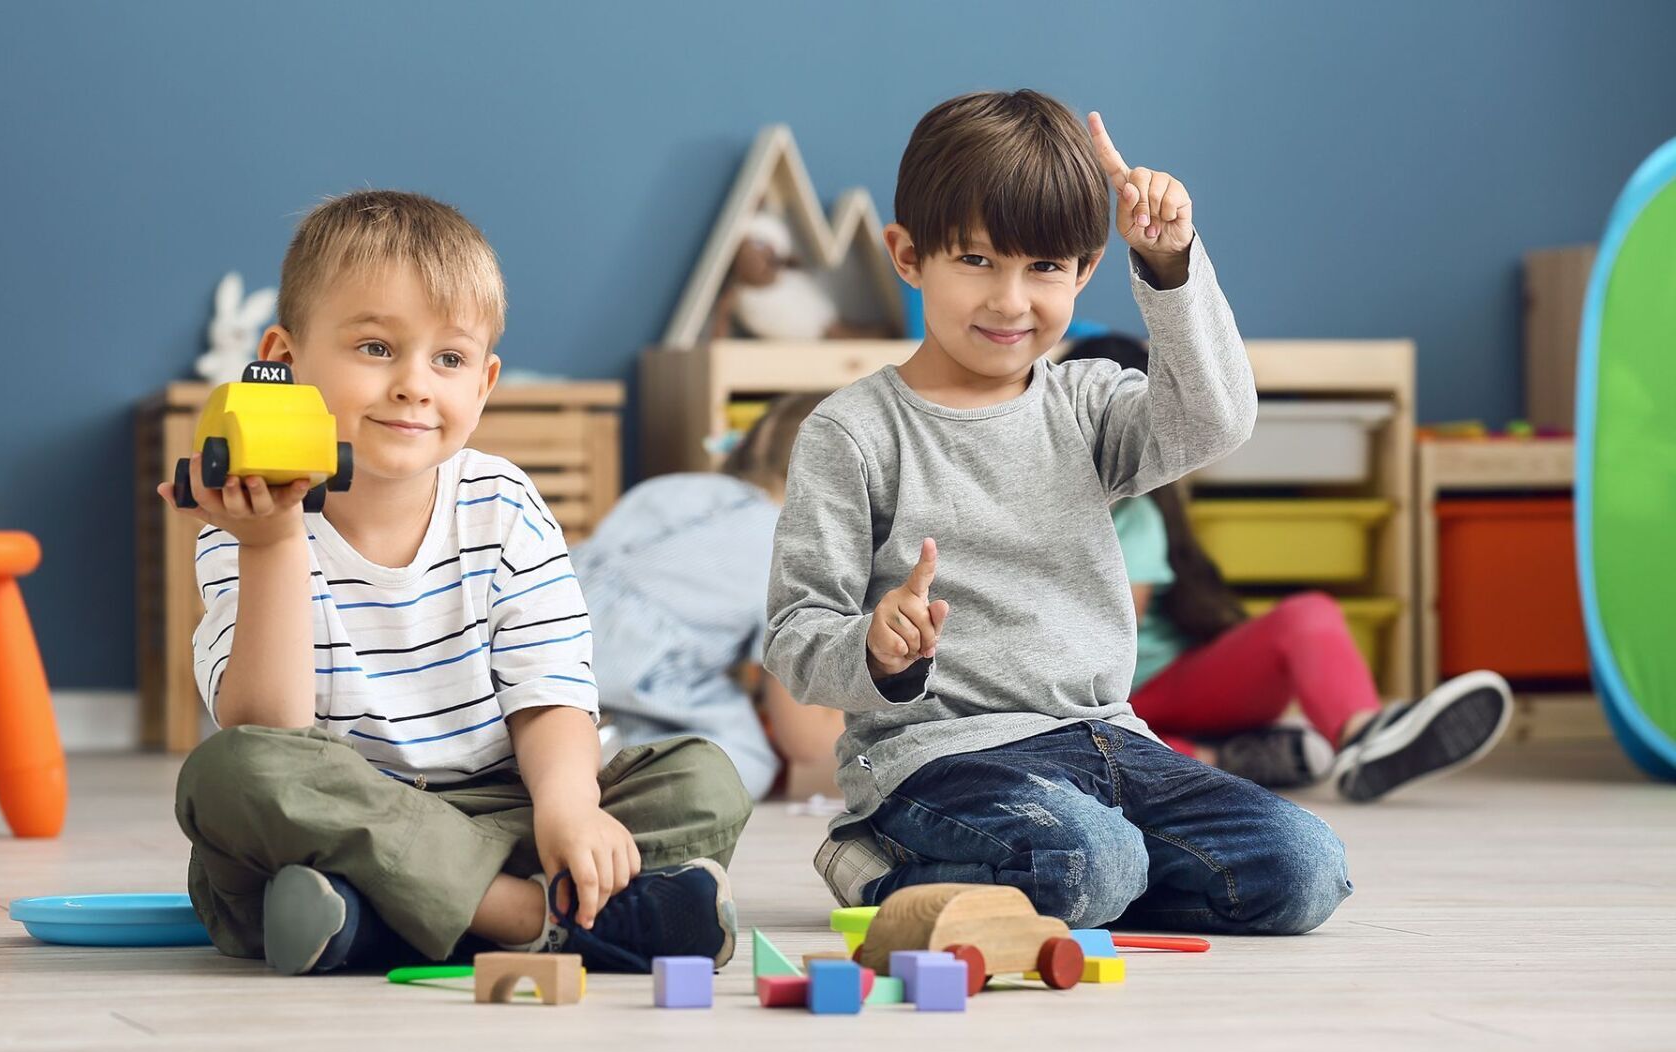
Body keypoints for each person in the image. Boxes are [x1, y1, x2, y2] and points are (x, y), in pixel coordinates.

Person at [767, 90, 1350, 934]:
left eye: (1044, 267)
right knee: (1089, 860)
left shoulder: (1089, 404)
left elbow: (1217, 419)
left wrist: (1172, 261)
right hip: (940, 760)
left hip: (1111, 743)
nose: (1011, 301)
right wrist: (876, 650)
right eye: (976, 261)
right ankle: (881, 859)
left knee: (1304, 869)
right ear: (907, 256)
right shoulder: (853, 433)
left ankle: (1071, 882)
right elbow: (795, 633)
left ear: (1084, 270)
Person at [157, 190, 750, 975]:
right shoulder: (248, 520)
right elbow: (270, 728)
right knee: (231, 774)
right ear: (284, 358)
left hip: (499, 806)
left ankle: (375, 919)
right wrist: (271, 547)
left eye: (448, 359)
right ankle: (529, 915)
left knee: (703, 778)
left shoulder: (502, 505)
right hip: (340, 816)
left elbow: (552, 692)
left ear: (485, 381)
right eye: (375, 348)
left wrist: (568, 808)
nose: (413, 385)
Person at [1066, 333, 1512, 799]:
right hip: (1094, 704)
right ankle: (1231, 757)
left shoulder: (1132, 513)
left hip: (1163, 682)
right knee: (1091, 751)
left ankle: (1362, 731)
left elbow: (1116, 623)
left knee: (1307, 614)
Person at [573, 393, 845, 801]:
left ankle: (575, 738)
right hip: (630, 678)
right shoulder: (795, 552)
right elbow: (804, 739)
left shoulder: (673, 489)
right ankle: (611, 757)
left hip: (537, 637)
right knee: (743, 759)